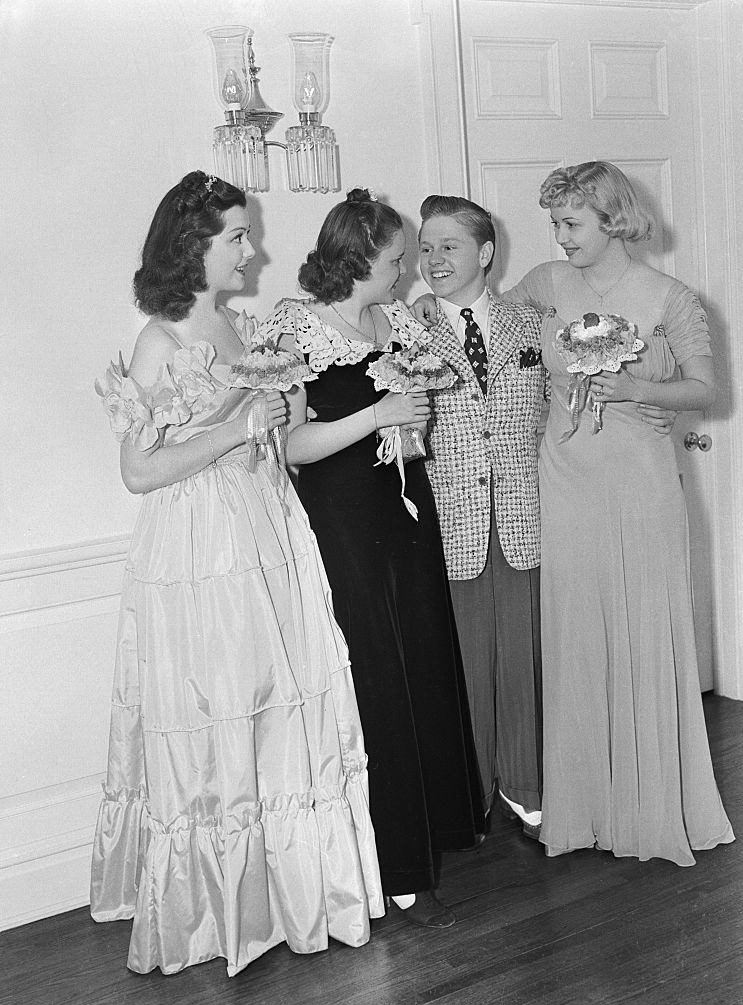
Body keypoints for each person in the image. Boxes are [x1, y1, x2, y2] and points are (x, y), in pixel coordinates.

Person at [90, 171, 383, 976]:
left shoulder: (234, 323)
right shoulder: (162, 339)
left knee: (272, 704)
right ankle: (213, 911)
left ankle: (283, 894)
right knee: (219, 707)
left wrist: (279, 417)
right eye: (235, 238)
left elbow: (267, 432)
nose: (250, 251)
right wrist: (232, 431)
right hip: (200, 548)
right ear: (192, 246)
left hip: (264, 525)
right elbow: (140, 472)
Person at [255, 188, 484, 929]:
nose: (407, 271)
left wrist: (409, 422)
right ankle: (394, 872)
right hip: (344, 520)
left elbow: (405, 414)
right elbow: (289, 447)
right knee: (376, 680)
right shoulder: (293, 326)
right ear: (356, 258)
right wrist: (377, 414)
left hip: (405, 509)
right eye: (395, 260)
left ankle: (433, 840)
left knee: (420, 664)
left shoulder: (395, 321)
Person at [501, 160, 734, 864]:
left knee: (640, 629)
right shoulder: (544, 282)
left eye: (571, 223)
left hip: (639, 482)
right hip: (564, 478)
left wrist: (637, 388)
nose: (559, 236)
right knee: (576, 632)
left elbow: (706, 392)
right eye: (554, 224)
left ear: (611, 219)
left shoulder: (669, 297)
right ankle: (584, 806)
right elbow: (491, 321)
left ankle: (649, 807)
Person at [412, 195, 545, 839]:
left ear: (485, 254)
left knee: (521, 655)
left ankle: (523, 783)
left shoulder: (529, 324)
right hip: (448, 520)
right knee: (461, 659)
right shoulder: (403, 330)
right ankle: (470, 790)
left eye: (449, 247)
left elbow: (556, 412)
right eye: (426, 248)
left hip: (522, 517)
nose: (433, 260)